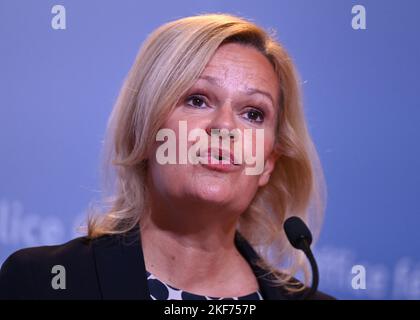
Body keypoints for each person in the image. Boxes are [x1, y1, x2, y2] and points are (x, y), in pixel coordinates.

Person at [0, 13, 332, 300]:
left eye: (253, 114)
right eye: (198, 100)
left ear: (268, 163)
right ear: (144, 132)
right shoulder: (43, 282)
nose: (225, 127)